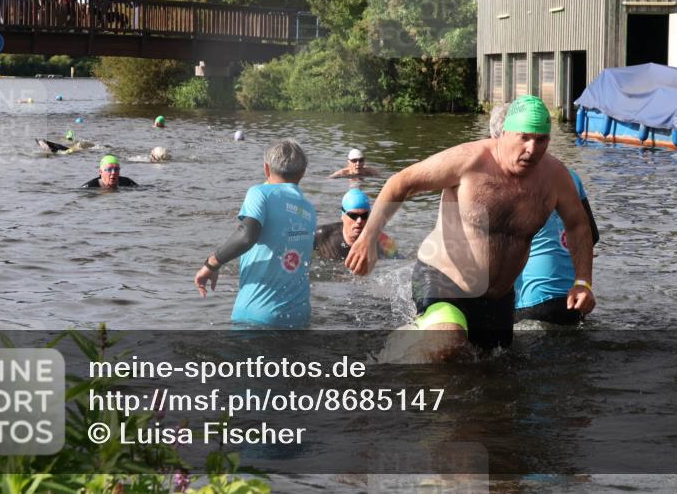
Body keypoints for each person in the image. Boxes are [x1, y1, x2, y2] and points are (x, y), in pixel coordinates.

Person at [346, 95, 594, 354]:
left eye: (541, 140)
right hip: (446, 282)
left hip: (498, 298)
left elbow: (578, 225)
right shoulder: (469, 160)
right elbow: (401, 182)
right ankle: (413, 345)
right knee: (447, 343)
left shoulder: (555, 177)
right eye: (524, 137)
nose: (532, 149)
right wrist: (368, 238)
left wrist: (583, 282)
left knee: (491, 376)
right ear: (505, 133)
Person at [487, 103, 600, 325]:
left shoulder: (499, 182)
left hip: (530, 302)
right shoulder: (569, 176)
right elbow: (590, 236)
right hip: (574, 300)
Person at [194, 139, 317, 328]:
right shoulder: (308, 209)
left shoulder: (259, 193)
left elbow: (246, 235)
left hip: (258, 317)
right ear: (303, 172)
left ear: (266, 169)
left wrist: (211, 264)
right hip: (300, 316)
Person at [314, 189, 399, 261]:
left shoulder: (384, 242)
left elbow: (400, 263)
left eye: (364, 216)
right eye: (353, 216)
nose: (359, 220)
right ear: (343, 215)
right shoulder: (322, 236)